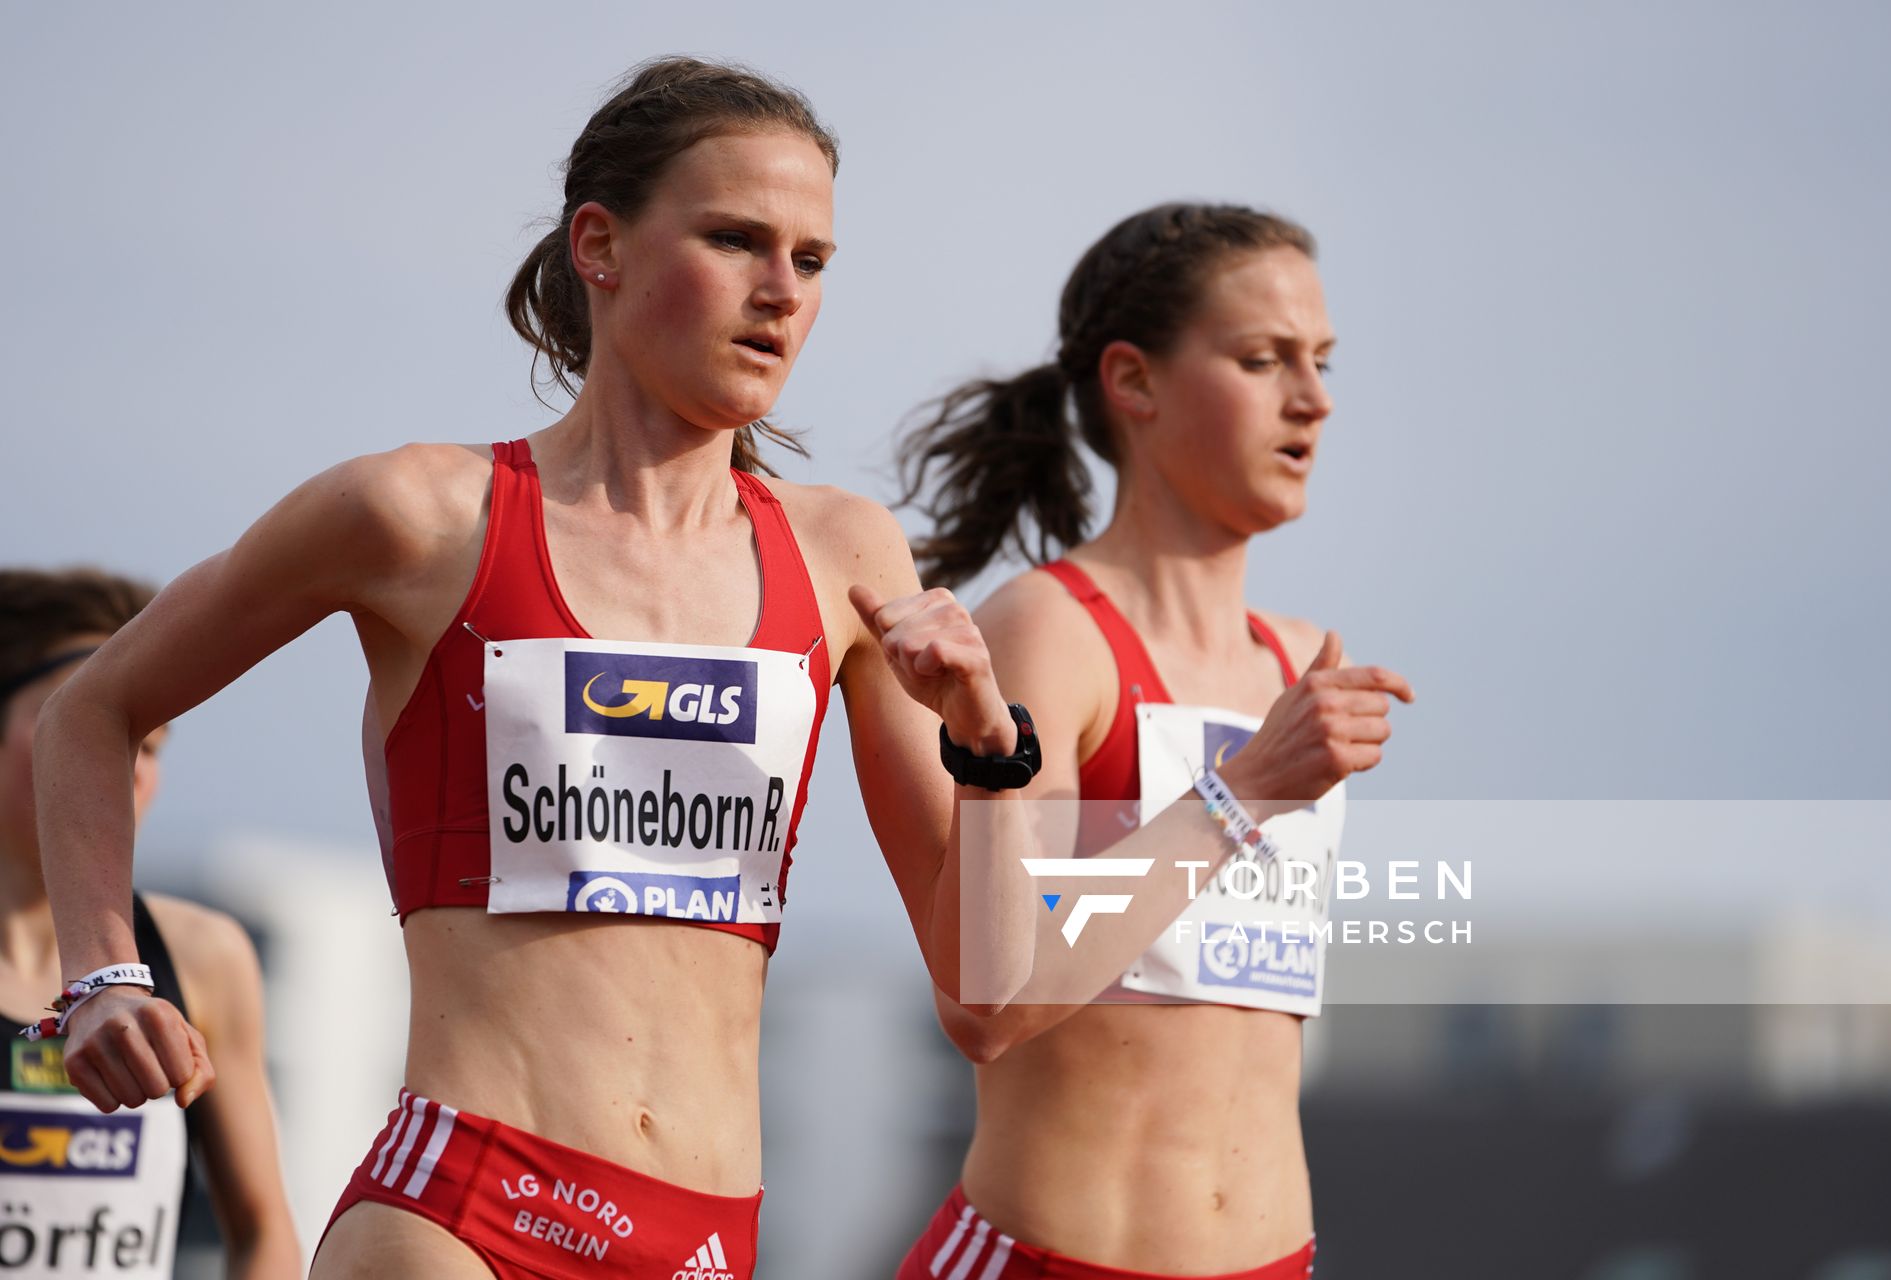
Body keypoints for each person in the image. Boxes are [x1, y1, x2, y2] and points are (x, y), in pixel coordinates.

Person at [32, 58, 1044, 1279]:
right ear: (600, 245)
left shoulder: (847, 557)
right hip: (463, 1213)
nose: (781, 292)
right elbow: (94, 709)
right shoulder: (416, 513)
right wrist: (101, 977)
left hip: (708, 1241)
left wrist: (990, 746)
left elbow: (989, 1007)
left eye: (813, 260)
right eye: (735, 239)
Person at [893, 204, 1413, 1279]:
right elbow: (989, 1001)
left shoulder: (1302, 658)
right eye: (1262, 359)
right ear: (1134, 382)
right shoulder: (1050, 630)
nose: (1312, 397)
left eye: (1320, 360)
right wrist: (1243, 792)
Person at [0, 567, 300, 1277]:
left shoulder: (201, 955)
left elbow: (263, 1234)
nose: (121, 768)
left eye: (151, 744)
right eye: (78, 729)